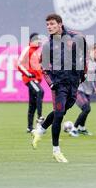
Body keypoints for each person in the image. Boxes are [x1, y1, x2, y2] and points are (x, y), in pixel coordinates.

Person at [31, 13, 86, 163]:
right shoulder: (48, 45)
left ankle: (40, 130)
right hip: (59, 84)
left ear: (60, 24)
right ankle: (56, 150)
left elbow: (83, 52)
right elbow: (44, 68)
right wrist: (51, 84)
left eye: (52, 24)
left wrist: (83, 73)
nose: (49, 27)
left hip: (73, 82)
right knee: (60, 114)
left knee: (59, 111)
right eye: (47, 25)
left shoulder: (75, 36)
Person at [69, 43, 96, 137]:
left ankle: (82, 128)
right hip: (78, 89)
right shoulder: (82, 61)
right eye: (95, 51)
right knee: (86, 108)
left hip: (87, 90)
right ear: (90, 52)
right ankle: (74, 129)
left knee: (86, 110)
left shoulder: (95, 64)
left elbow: (93, 78)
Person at [17, 33, 44, 133]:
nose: (39, 41)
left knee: (32, 103)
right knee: (40, 92)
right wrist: (28, 74)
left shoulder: (37, 52)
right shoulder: (28, 49)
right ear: (31, 40)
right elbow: (19, 63)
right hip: (30, 79)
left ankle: (29, 127)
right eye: (37, 39)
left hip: (36, 79)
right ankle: (40, 117)